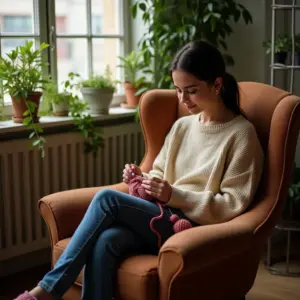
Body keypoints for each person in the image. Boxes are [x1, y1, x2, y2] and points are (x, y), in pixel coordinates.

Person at [15, 40, 264, 300]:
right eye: (178, 90)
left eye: (191, 90)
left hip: (190, 227)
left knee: (106, 198)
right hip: (159, 215)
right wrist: (141, 180)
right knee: (107, 240)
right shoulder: (183, 126)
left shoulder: (242, 134)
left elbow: (231, 205)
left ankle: (46, 291)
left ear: (217, 84)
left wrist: (174, 195)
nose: (182, 99)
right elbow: (159, 174)